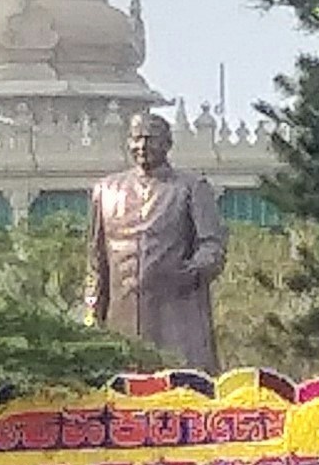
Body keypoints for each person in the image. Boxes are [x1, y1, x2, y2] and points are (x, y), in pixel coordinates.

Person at [86, 111, 227, 369]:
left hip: (177, 319)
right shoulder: (106, 191)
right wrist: (90, 315)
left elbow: (213, 246)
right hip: (121, 322)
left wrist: (187, 272)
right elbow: (96, 262)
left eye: (151, 139)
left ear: (167, 144)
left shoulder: (191, 187)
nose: (142, 146)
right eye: (137, 138)